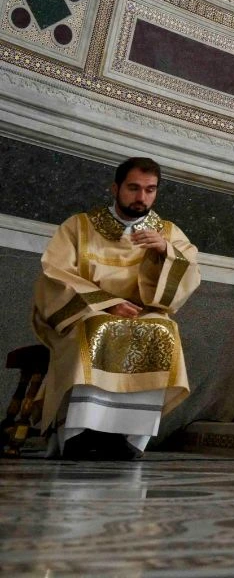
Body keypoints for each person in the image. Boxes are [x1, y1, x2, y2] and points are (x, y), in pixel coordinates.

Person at [30, 157, 200, 459]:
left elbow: (188, 275)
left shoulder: (167, 233)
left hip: (143, 314)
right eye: (133, 188)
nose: (141, 198)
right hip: (86, 312)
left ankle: (131, 437)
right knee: (99, 327)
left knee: (162, 330)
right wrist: (108, 304)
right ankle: (78, 432)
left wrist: (166, 252)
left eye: (150, 190)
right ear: (115, 187)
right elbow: (54, 273)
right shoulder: (79, 226)